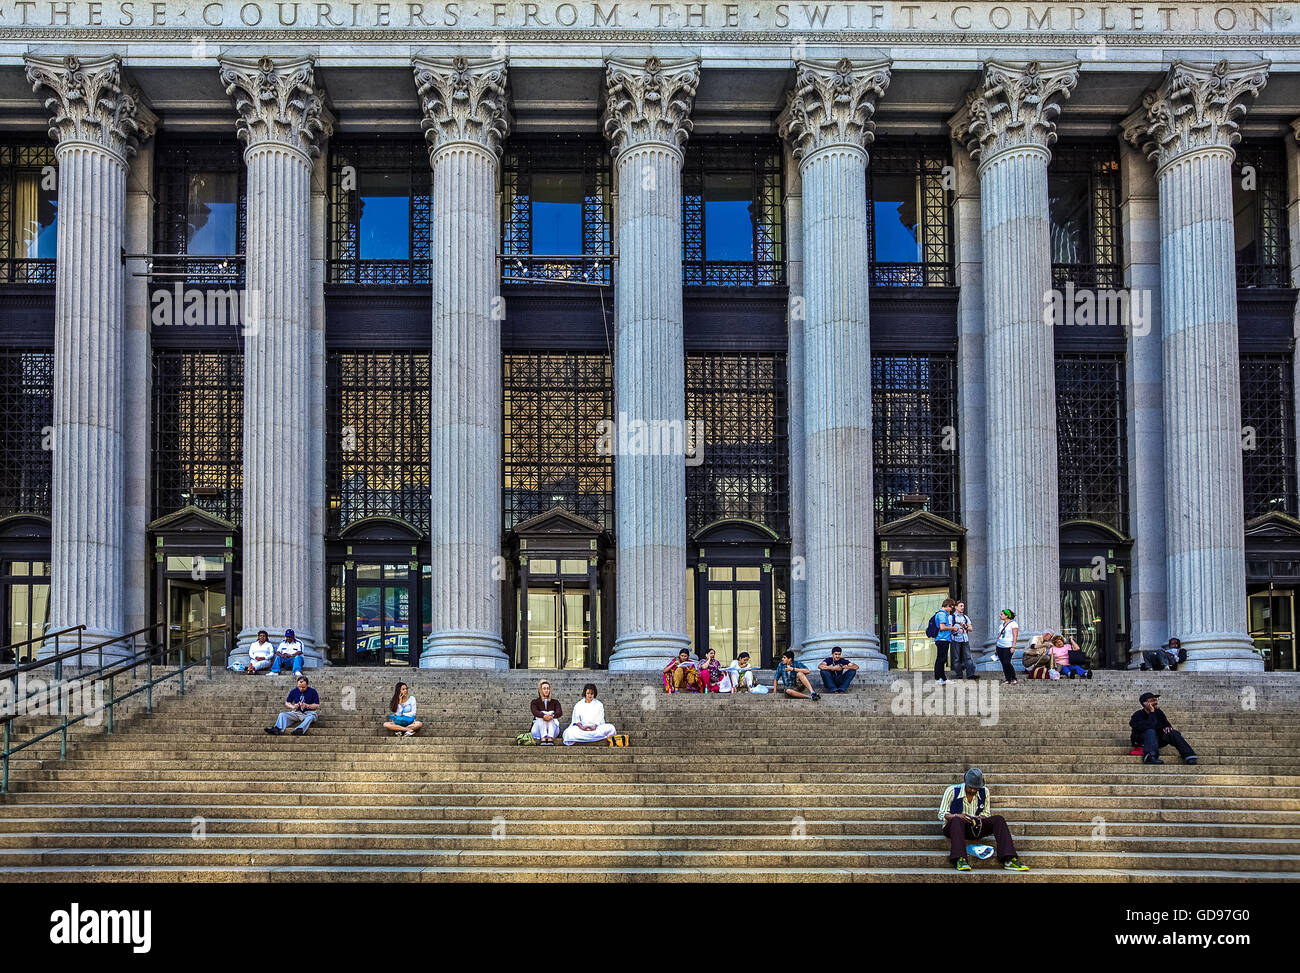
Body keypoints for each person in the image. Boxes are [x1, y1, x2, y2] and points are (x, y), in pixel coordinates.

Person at [939, 768, 1029, 872]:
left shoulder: (984, 791)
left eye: (976, 788)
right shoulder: (952, 791)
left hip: (975, 827)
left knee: (998, 819)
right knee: (956, 820)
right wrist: (957, 816)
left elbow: (986, 813)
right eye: (971, 787)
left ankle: (1009, 859)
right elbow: (941, 814)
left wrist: (980, 818)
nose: (973, 790)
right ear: (965, 783)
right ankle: (960, 859)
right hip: (954, 828)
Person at [1129, 692, 1198, 765]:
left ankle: (1189, 755)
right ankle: (1150, 757)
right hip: (1142, 741)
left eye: (1156, 700)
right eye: (1152, 700)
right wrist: (1152, 713)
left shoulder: (1159, 712)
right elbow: (1148, 726)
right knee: (1150, 731)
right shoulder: (1137, 715)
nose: (1156, 702)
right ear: (1145, 703)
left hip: (1157, 740)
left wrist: (1167, 728)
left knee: (1172, 732)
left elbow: (1167, 724)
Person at [530, 679, 563, 744]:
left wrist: (552, 716)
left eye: (548, 688)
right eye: (544, 688)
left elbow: (559, 712)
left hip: (552, 730)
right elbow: (534, 711)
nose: (546, 690)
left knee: (551, 715)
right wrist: (543, 716)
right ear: (540, 690)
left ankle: (550, 739)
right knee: (541, 717)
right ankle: (543, 738)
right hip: (538, 730)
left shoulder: (555, 702)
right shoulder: (535, 702)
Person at [949, 602, 976, 679]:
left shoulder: (965, 617)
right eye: (961, 606)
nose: (962, 607)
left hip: (965, 639)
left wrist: (965, 626)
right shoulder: (951, 617)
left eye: (963, 606)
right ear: (956, 607)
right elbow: (949, 628)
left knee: (968, 657)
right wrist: (957, 629)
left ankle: (970, 674)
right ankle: (959, 674)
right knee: (956, 658)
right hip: (955, 639)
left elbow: (971, 629)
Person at [933, 597, 956, 684]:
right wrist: (953, 628)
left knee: (942, 659)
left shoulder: (941, 613)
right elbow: (942, 627)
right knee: (941, 659)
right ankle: (939, 678)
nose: (951, 610)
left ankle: (942, 678)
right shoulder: (942, 614)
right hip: (943, 639)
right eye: (951, 607)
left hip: (943, 639)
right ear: (947, 606)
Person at [994, 609, 1019, 685]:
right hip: (1000, 646)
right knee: (1003, 663)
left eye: (1002, 614)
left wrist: (1013, 646)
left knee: (1007, 662)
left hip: (1008, 646)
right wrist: (996, 647)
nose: (1000, 615)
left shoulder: (1013, 624)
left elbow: (1015, 635)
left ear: (1007, 615)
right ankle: (1007, 679)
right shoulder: (1001, 626)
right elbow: (998, 636)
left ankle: (1013, 678)